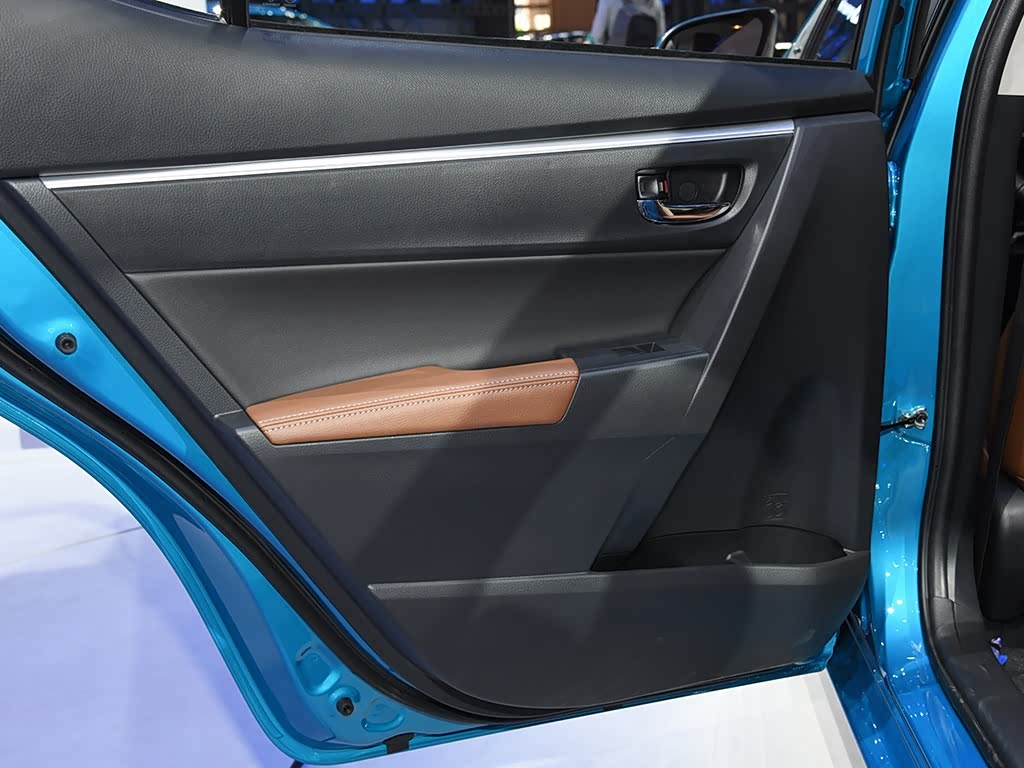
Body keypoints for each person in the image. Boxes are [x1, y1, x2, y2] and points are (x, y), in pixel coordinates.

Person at [587, 0, 666, 47]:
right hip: (647, 64)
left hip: (615, 61)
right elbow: (661, 40)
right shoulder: (657, 4)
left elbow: (597, 37)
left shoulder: (608, 1)